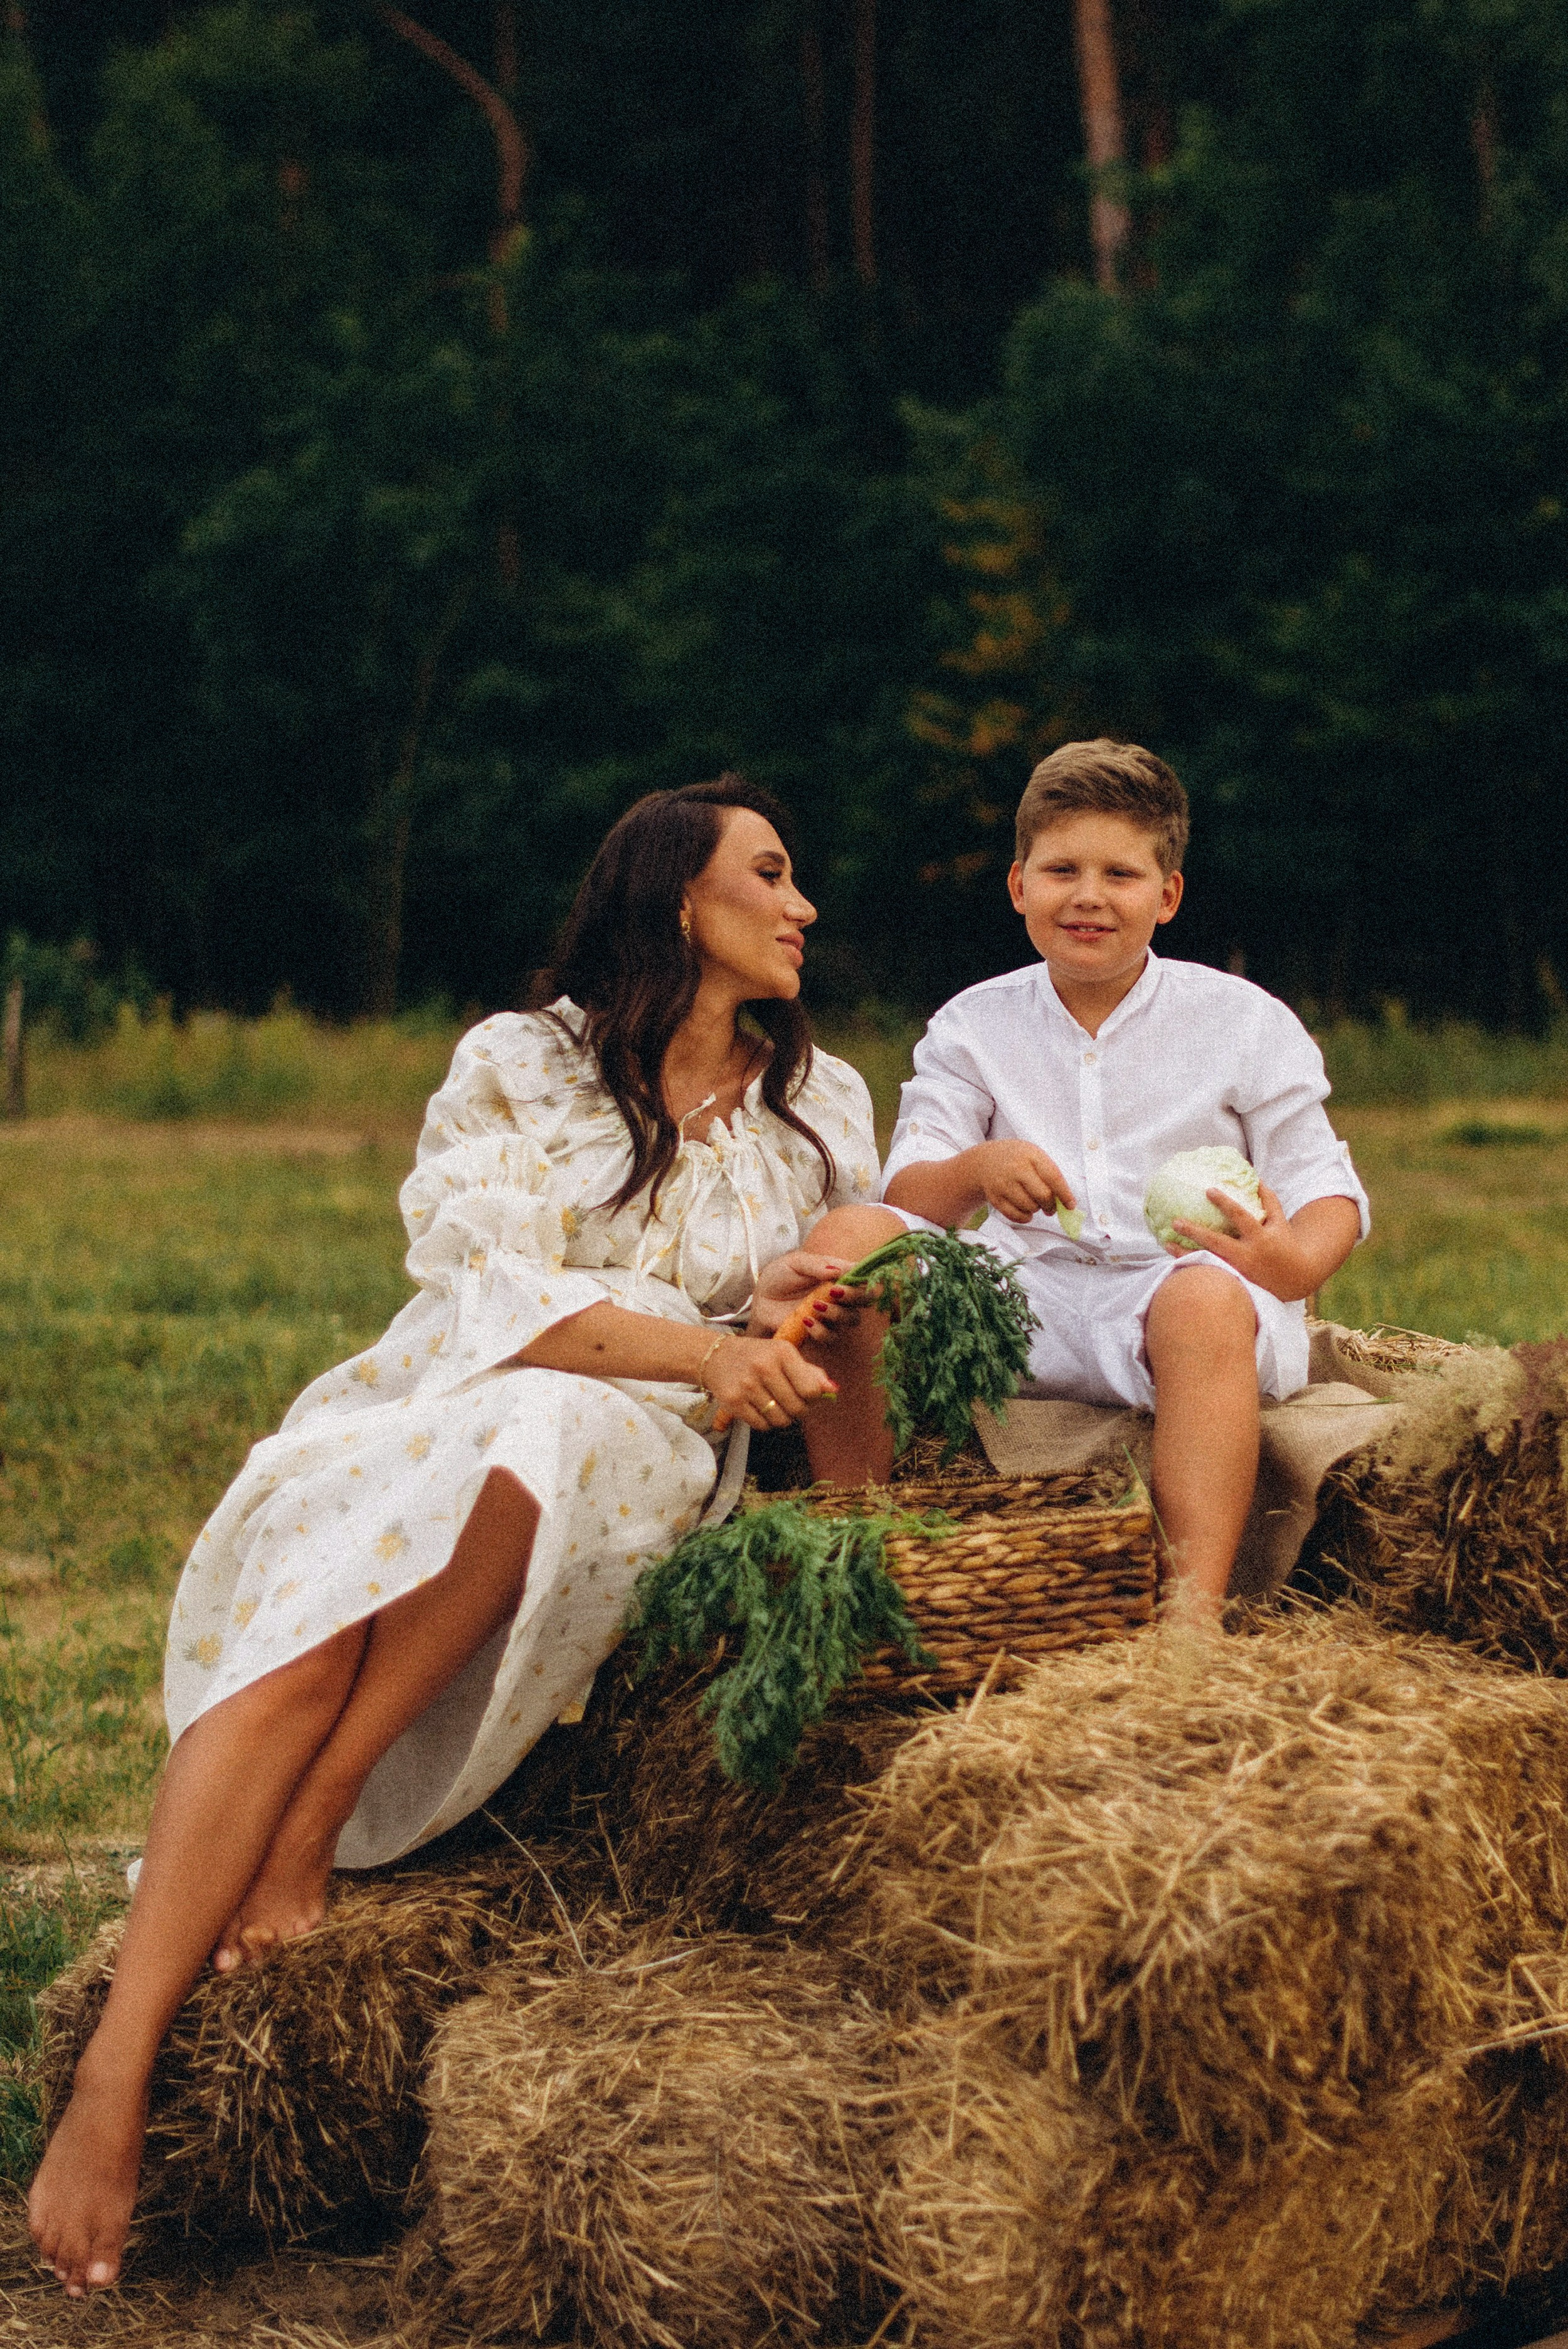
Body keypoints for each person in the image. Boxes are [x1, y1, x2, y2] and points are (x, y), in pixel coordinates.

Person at [29, 775, 901, 2298]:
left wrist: (760, 1332)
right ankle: (115, 2076)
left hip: (642, 1444)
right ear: (678, 903)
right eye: (769, 876)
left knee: (550, 1438)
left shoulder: (815, 1101)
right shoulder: (520, 1061)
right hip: (452, 1388)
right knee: (316, 1602)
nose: (801, 906)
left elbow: (811, 1292)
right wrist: (701, 1348)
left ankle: (315, 1825)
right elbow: (489, 1293)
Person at [879, 738, 1369, 1608]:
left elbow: (1326, 1188)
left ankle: (1192, 1611)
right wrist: (978, 1166)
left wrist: (1287, 1268)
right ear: (1018, 883)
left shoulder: (1242, 1021)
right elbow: (908, 1194)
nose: (1090, 896)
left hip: (1183, 1304)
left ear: (1168, 894)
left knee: (1202, 1296)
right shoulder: (972, 1025)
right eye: (1062, 868)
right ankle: (861, 1536)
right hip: (1024, 1301)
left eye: (1122, 874)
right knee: (859, 1246)